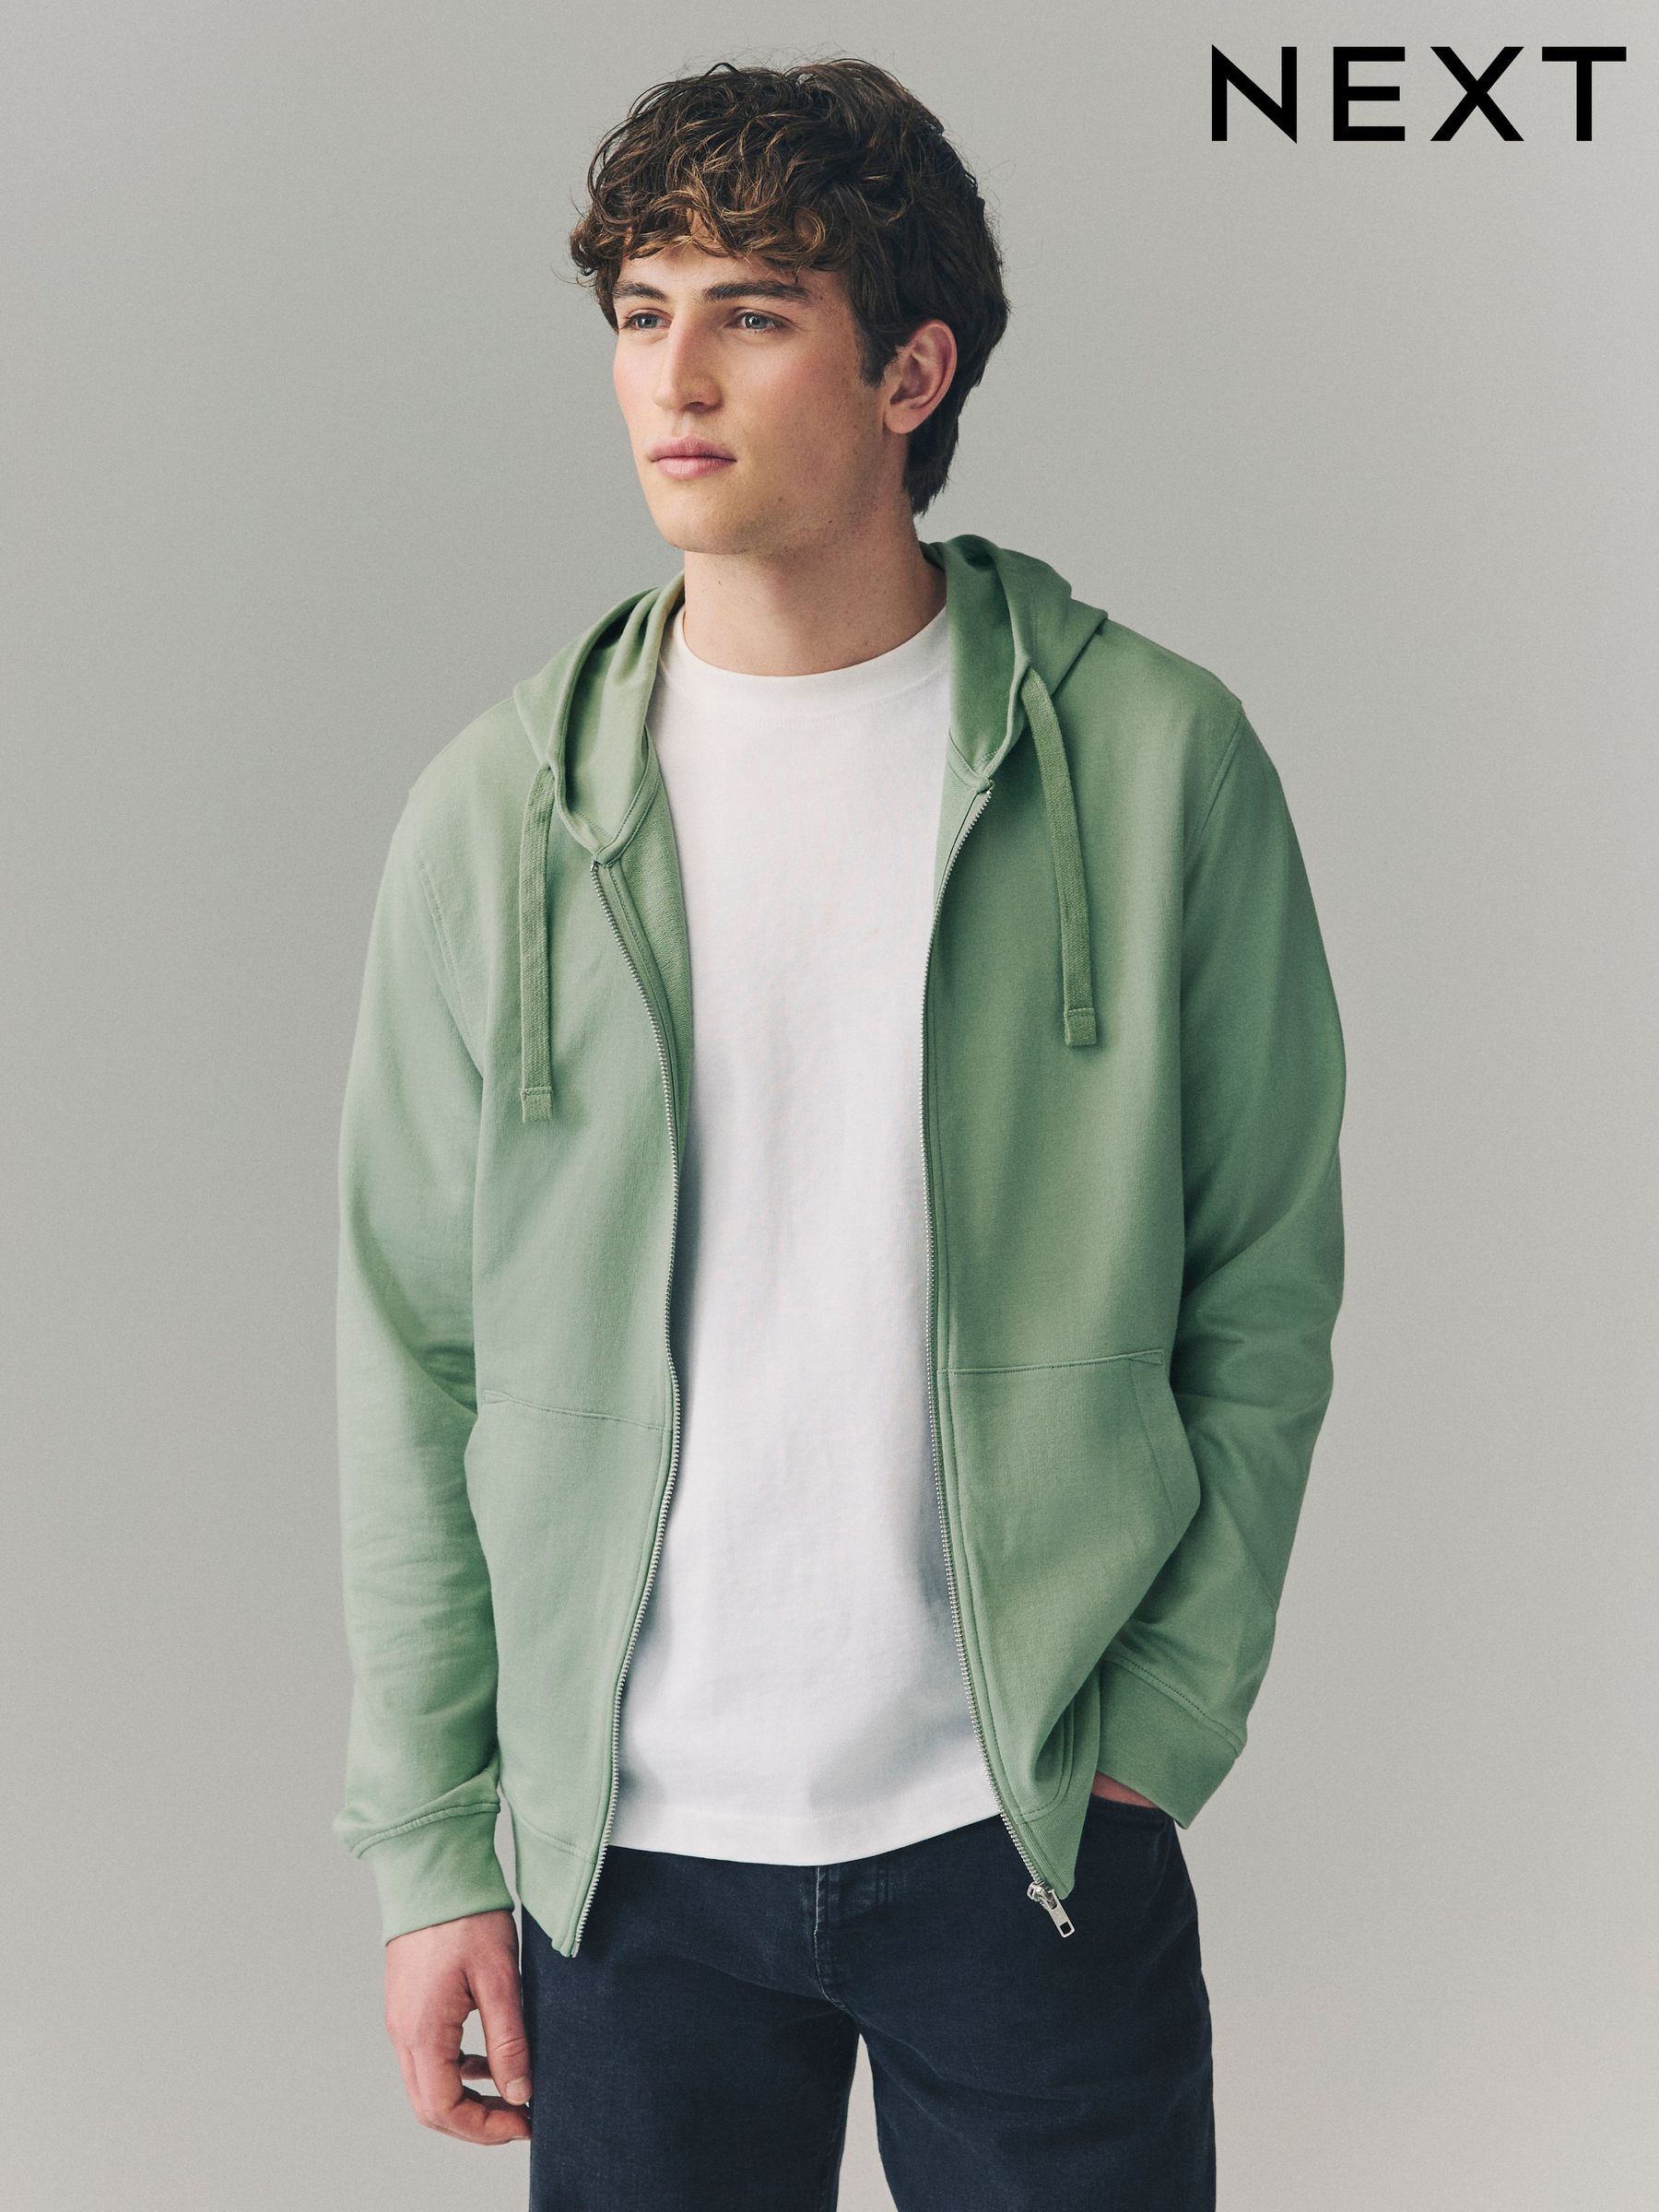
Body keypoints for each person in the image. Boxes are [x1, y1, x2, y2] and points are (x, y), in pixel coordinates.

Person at [330, 53, 1346, 2212]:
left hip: (1028, 1831)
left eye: (752, 312)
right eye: (639, 311)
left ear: (911, 370)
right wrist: (434, 1847)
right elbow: (414, 1351)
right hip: (629, 1868)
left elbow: (1263, 1276)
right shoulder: (498, 815)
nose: (672, 376)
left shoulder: (1157, 764)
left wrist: (1158, 1729)